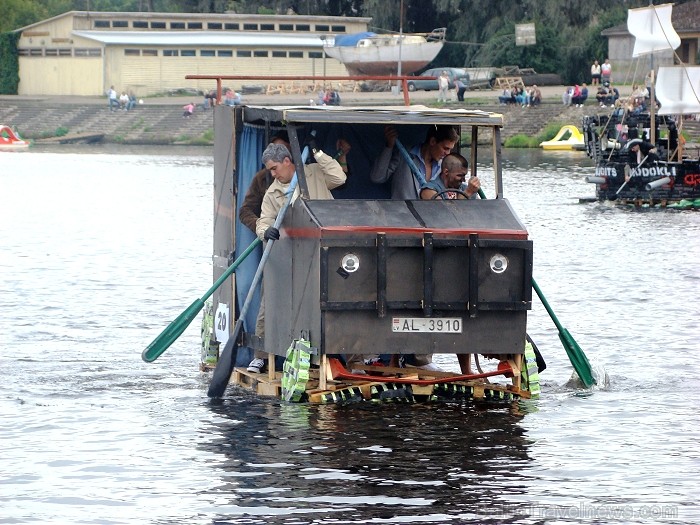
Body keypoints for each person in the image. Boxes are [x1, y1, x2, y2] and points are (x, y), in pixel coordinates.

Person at [246, 142, 348, 374]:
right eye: (270, 170)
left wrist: (319, 153)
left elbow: (339, 178)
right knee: (269, 300)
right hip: (290, 256)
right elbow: (264, 221)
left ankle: (359, 357)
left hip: (324, 251)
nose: (272, 174)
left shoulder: (313, 173)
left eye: (274, 168)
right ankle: (261, 356)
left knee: (338, 299)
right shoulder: (272, 192)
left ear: (287, 162)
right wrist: (265, 231)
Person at [369, 124, 459, 200]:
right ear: (432, 141)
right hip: (401, 217)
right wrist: (389, 146)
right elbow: (377, 177)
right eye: (445, 148)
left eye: (450, 150)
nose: (447, 153)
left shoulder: (444, 168)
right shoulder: (403, 154)